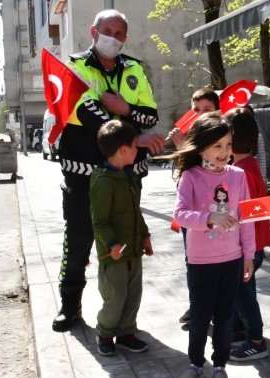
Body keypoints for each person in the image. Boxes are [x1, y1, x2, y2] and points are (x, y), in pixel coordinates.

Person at [52, 9, 164, 333]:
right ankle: (70, 306)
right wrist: (132, 134)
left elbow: (149, 115)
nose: (112, 37)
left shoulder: (134, 69)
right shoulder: (75, 68)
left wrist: (125, 109)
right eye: (107, 30)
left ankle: (122, 317)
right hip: (83, 172)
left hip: (127, 176)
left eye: (119, 33)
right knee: (78, 241)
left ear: (125, 38)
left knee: (124, 243)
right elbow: (87, 113)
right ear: (93, 31)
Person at [169, 113, 255, 378]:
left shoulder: (239, 176)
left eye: (228, 145)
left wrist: (249, 255)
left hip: (231, 260)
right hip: (201, 262)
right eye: (217, 146)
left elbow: (245, 218)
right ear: (202, 146)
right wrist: (209, 218)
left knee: (225, 317)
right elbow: (180, 215)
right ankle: (195, 365)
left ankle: (219, 367)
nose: (224, 152)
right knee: (200, 317)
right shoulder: (190, 176)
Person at [90, 120, 154, 356]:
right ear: (123, 150)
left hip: (133, 249)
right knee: (115, 297)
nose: (138, 151)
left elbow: (136, 210)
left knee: (133, 294)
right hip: (114, 254)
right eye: (136, 146)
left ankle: (127, 331)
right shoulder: (103, 182)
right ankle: (105, 332)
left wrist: (145, 236)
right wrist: (111, 244)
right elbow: (99, 221)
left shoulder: (129, 176)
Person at [225, 107, 270, 361]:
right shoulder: (250, 165)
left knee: (244, 298)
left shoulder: (240, 172)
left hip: (246, 248)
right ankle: (240, 331)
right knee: (240, 294)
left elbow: (247, 212)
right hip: (253, 246)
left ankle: (256, 341)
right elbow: (262, 208)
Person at [169, 88, 220, 326]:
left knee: (215, 262)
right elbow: (183, 176)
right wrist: (181, 148)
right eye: (196, 110)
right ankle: (197, 305)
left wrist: (183, 149)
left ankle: (210, 308)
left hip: (215, 214)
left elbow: (212, 173)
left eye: (206, 110)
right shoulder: (190, 136)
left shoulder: (222, 138)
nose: (200, 115)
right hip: (192, 214)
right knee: (192, 261)